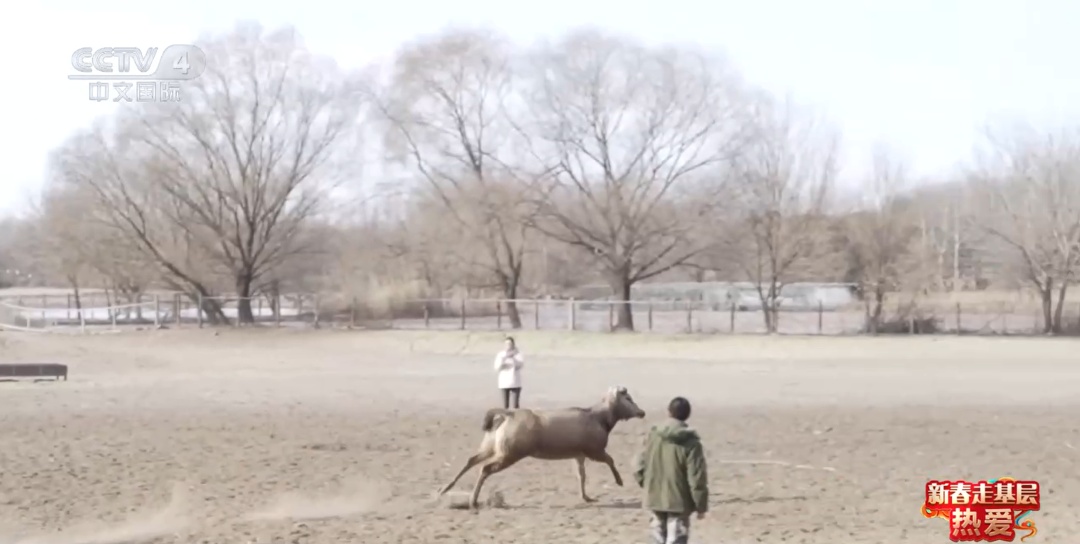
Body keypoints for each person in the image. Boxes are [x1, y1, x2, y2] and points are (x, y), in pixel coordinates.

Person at [633, 396, 709, 544]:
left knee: (657, 537)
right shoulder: (691, 443)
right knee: (677, 538)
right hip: (680, 501)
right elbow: (696, 477)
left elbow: (638, 465)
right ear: (687, 415)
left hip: (655, 497)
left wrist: (648, 484)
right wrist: (701, 505)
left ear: (668, 412)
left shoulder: (653, 435)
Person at [493, 336, 524, 409]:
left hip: (515, 382)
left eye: (510, 344)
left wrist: (512, 358)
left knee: (515, 406)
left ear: (513, 344)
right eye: (506, 344)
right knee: (505, 406)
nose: (508, 346)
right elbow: (496, 367)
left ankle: (516, 419)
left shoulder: (518, 354)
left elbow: (520, 365)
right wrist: (504, 360)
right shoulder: (501, 355)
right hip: (504, 382)